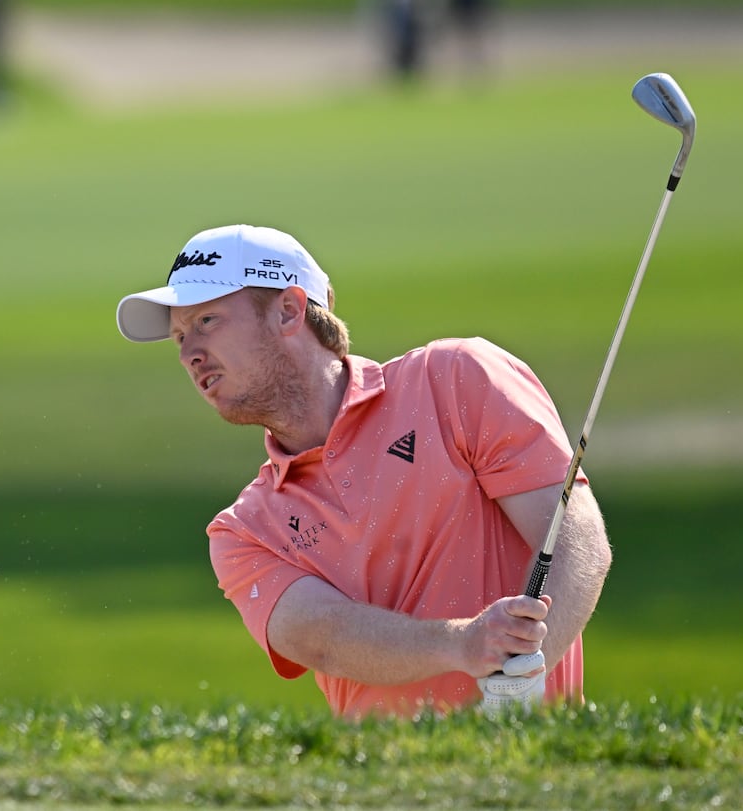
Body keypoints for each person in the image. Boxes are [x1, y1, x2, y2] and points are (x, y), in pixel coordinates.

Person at [115, 224, 612, 719]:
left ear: (289, 310)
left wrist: (526, 672)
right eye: (179, 336)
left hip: (535, 772)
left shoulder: (457, 379)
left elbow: (576, 538)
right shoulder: (244, 530)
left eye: (207, 321)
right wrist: (465, 645)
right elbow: (323, 636)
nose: (188, 354)